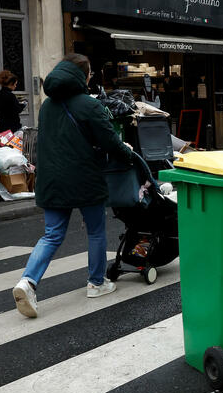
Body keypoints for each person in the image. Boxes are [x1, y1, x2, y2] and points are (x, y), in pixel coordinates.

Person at [12, 54, 133, 318]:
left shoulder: (46, 107)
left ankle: (27, 282)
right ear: (84, 76)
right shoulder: (89, 106)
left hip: (51, 180)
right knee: (96, 231)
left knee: (52, 235)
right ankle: (96, 283)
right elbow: (110, 141)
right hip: (84, 179)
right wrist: (129, 156)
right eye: (89, 74)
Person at [0, 70, 27, 134]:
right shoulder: (11, 96)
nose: (15, 86)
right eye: (15, 84)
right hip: (11, 127)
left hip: (0, 126)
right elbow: (17, 110)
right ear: (11, 84)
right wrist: (23, 105)